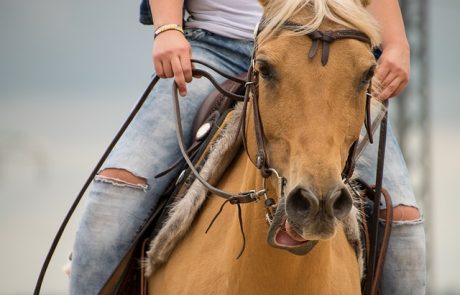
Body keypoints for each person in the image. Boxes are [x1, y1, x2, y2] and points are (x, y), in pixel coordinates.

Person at [69, 0, 426, 294]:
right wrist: (167, 27)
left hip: (327, 54)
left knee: (403, 225)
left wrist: (396, 42)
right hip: (211, 46)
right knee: (115, 197)